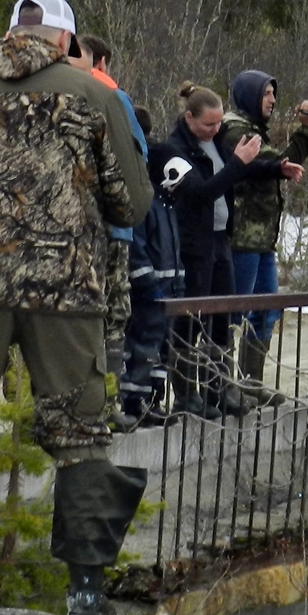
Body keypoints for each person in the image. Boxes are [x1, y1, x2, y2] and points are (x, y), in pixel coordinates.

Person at [0, 0, 153, 615]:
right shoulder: (96, 96)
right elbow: (130, 203)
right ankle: (85, 595)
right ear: (68, 42)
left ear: (11, 32)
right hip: (67, 292)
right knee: (81, 431)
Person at [153, 82, 262, 418]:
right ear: (189, 117)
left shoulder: (215, 145)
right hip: (192, 244)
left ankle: (217, 389)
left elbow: (241, 169)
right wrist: (237, 165)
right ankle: (187, 395)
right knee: (190, 321)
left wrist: (277, 168)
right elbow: (200, 192)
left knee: (221, 318)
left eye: (218, 124)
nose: (215, 130)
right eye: (208, 125)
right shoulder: (173, 150)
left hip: (219, 241)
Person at [220, 70, 308, 398]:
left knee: (266, 310)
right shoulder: (235, 129)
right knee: (235, 314)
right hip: (242, 238)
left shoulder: (255, 129)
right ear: (250, 95)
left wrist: (305, 129)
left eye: (273, 95)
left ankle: (251, 383)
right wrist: (304, 132)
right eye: (266, 94)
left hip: (262, 240)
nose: (273, 101)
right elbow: (278, 163)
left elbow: (282, 164)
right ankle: (222, 384)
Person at [77, 34, 145, 398]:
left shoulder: (101, 98)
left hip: (93, 228)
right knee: (109, 310)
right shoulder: (112, 98)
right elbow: (137, 159)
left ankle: (102, 397)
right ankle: (104, 398)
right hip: (108, 226)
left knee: (98, 311)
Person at [122, 106, 187, 427]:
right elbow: (139, 246)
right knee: (143, 346)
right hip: (150, 291)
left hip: (167, 291)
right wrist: (146, 280)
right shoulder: (146, 203)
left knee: (162, 349)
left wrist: (179, 280)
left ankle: (153, 399)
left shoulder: (165, 204)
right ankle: (135, 401)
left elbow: (173, 247)